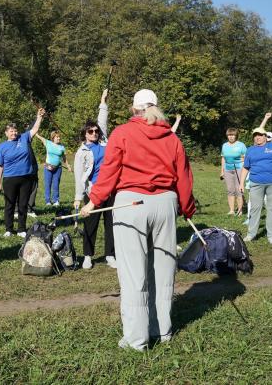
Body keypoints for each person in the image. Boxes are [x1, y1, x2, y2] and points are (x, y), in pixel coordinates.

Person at [81, 89, 196, 351]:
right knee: (164, 270)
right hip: (166, 205)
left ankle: (136, 339)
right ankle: (161, 330)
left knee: (134, 274)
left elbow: (109, 172)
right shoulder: (172, 138)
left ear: (134, 109)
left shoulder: (122, 133)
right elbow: (185, 177)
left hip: (130, 204)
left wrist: (93, 201)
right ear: (156, 107)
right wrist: (187, 208)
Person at [74, 89, 114, 269]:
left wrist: (103, 101)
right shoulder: (81, 152)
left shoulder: (104, 142)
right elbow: (78, 176)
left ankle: (110, 255)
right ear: (85, 134)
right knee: (91, 224)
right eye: (90, 131)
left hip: (111, 189)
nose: (95, 133)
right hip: (93, 191)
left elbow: (102, 120)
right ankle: (88, 256)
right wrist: (78, 196)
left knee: (111, 224)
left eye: (96, 131)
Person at [0, 108, 45, 238]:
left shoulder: (24, 138)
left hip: (26, 178)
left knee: (23, 204)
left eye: (15, 130)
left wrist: (39, 117)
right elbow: (0, 166)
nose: (14, 133)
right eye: (11, 131)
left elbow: (34, 129)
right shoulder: (2, 147)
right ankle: (9, 229)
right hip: (10, 179)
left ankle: (22, 229)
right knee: (10, 205)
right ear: (6, 133)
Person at [34, 130, 72, 207]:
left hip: (58, 168)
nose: (59, 138)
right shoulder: (48, 143)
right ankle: (48, 201)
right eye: (57, 137)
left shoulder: (61, 147)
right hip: (48, 167)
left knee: (56, 184)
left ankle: (56, 200)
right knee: (48, 184)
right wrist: (35, 132)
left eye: (59, 137)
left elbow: (64, 158)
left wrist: (68, 166)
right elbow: (39, 137)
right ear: (53, 137)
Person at [220, 128, 246, 216]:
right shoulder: (224, 145)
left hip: (239, 168)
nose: (231, 137)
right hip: (228, 169)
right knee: (230, 190)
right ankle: (231, 210)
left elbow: (245, 157)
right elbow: (223, 158)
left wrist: (243, 168)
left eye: (233, 135)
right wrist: (222, 171)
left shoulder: (241, 145)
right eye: (229, 135)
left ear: (236, 136)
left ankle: (240, 210)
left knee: (239, 190)